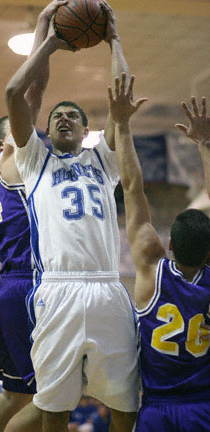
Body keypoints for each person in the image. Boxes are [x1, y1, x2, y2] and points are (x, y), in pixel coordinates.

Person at [4, 2, 139, 432]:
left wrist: (114, 37)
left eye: (73, 116)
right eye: (56, 116)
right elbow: (13, 95)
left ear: (86, 131)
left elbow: (120, 96)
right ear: (46, 132)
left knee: (125, 406)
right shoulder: (34, 161)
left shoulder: (104, 161)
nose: (64, 118)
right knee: (54, 410)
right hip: (57, 289)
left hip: (107, 286)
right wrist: (48, 44)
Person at [0, 3, 69, 432]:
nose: (34, 132)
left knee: (15, 393)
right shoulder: (15, 155)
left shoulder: (2, 176)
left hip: (7, 288)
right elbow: (31, 93)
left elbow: (35, 95)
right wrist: (44, 36)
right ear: (3, 143)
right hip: (30, 286)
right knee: (55, 393)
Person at [107, 73, 210, 432]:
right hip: (203, 408)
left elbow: (133, 189)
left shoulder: (152, 269)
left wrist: (121, 124)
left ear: (168, 245)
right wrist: (206, 143)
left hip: (157, 411)